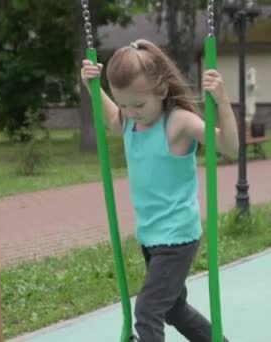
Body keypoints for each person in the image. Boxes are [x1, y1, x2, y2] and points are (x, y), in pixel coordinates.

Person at [81, 39, 238, 342]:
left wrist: (222, 101)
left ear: (162, 91)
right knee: (173, 310)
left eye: (138, 105)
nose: (131, 112)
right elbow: (112, 118)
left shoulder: (177, 122)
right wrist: (92, 85)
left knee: (148, 310)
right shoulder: (129, 120)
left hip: (176, 237)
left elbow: (229, 146)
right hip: (151, 235)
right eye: (124, 103)